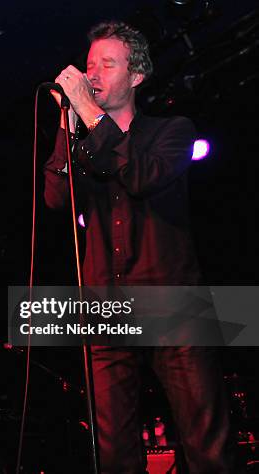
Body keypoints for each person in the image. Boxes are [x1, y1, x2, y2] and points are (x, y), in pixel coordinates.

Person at [43, 21, 236, 473]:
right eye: (89, 65)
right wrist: (66, 124)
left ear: (137, 76)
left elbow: (142, 176)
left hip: (176, 304)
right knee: (113, 450)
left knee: (205, 441)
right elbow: (55, 197)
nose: (92, 74)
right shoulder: (84, 143)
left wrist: (91, 116)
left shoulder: (173, 130)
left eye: (107, 64)